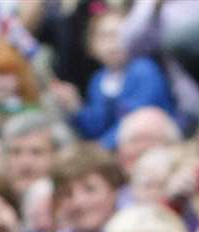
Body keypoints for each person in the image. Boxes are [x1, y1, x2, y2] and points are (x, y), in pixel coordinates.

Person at [67, 6, 177, 149]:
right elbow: (96, 128)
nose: (113, 42)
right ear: (91, 45)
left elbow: (133, 121)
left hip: (154, 146)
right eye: (104, 36)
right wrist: (76, 108)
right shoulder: (98, 80)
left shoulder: (144, 69)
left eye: (120, 34)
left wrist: (100, 148)